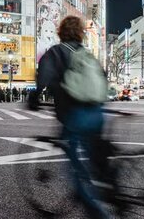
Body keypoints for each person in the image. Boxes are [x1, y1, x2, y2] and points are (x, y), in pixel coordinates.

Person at [28, 15, 109, 219]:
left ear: (60, 32)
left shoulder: (56, 52)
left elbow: (44, 76)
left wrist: (35, 97)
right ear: (81, 33)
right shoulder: (87, 54)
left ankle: (99, 214)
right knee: (96, 161)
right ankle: (113, 192)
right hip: (97, 113)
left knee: (75, 170)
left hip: (74, 115)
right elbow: (102, 79)